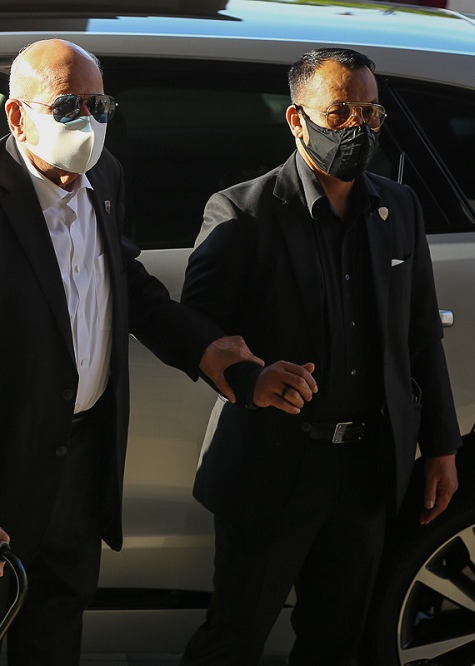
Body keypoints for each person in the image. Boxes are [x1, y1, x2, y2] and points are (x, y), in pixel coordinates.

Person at [0, 39, 267, 665]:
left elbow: (127, 283)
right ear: (17, 116)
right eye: (66, 106)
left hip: (78, 468)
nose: (87, 122)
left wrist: (203, 349)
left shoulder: (105, 177)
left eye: (98, 104)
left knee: (56, 636)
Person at [179, 47, 461, 665]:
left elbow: (419, 335)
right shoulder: (244, 212)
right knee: (234, 637)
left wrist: (441, 446)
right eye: (340, 113)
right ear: (295, 119)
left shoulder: (398, 208)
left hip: (365, 468)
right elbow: (194, 327)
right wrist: (251, 376)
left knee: (336, 644)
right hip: (273, 467)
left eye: (370, 113)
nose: (357, 128)